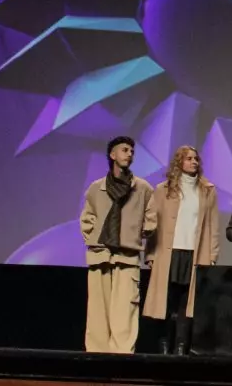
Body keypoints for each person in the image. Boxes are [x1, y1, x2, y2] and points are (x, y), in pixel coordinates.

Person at [80, 136, 157, 353]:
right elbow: (87, 218)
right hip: (101, 253)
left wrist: (134, 234)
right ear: (113, 155)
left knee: (125, 307)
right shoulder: (97, 188)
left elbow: (151, 219)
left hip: (127, 254)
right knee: (98, 308)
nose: (129, 153)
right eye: (125, 150)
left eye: (132, 151)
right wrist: (94, 239)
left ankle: (122, 355)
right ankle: (96, 354)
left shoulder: (142, 188)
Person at [143, 145, 220, 355]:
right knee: (165, 302)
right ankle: (164, 345)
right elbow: (153, 223)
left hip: (194, 252)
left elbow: (213, 225)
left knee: (188, 304)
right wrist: (149, 253)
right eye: (189, 158)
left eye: (196, 159)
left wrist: (212, 255)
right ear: (179, 162)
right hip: (168, 252)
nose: (194, 162)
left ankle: (180, 347)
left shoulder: (207, 190)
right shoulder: (163, 190)